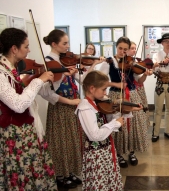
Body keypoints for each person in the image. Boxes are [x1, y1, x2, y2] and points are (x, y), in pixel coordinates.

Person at [0, 27, 77, 190]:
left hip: (26, 133)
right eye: (26, 46)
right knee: (22, 175)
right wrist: (39, 80)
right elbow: (19, 105)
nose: (29, 50)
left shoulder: (11, 69)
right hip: (15, 136)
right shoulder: (1, 73)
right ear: (14, 49)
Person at [43, 29, 104, 189]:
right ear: (54, 44)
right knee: (60, 142)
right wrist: (64, 76)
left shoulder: (65, 61)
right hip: (61, 108)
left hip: (73, 105)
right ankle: (60, 176)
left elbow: (83, 79)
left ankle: (69, 171)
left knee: (71, 141)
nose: (68, 46)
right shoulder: (48, 63)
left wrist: (94, 64)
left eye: (68, 43)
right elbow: (47, 93)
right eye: (64, 43)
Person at [99, 36, 149, 168]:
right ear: (116, 47)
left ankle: (131, 151)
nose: (122, 51)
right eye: (120, 48)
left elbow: (139, 81)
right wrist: (115, 83)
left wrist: (145, 74)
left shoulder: (131, 63)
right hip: (116, 95)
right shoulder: (108, 62)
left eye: (125, 49)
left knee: (132, 124)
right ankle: (119, 153)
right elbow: (101, 81)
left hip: (132, 94)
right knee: (119, 123)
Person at [75, 71, 124, 190]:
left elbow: (104, 121)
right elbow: (94, 135)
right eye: (103, 89)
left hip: (105, 150)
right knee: (99, 182)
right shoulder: (85, 108)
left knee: (108, 180)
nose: (105, 93)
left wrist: (116, 113)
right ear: (92, 88)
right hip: (96, 154)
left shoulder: (97, 103)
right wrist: (115, 123)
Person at [127, 41, 152, 128]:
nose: (134, 50)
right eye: (132, 48)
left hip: (138, 90)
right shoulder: (123, 63)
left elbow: (140, 81)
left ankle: (140, 129)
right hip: (127, 91)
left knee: (141, 111)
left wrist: (145, 74)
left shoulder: (137, 62)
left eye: (135, 48)